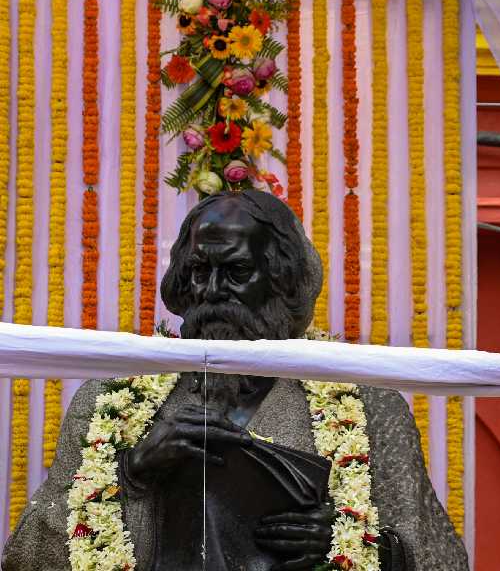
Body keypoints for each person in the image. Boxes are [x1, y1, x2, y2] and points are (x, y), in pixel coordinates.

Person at [2, 190, 469, 571]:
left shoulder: (369, 407)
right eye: (199, 273)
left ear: (283, 282)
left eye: (237, 272)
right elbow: (26, 560)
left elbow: (440, 560)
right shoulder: (108, 405)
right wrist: (132, 472)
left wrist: (360, 548)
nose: (212, 292)